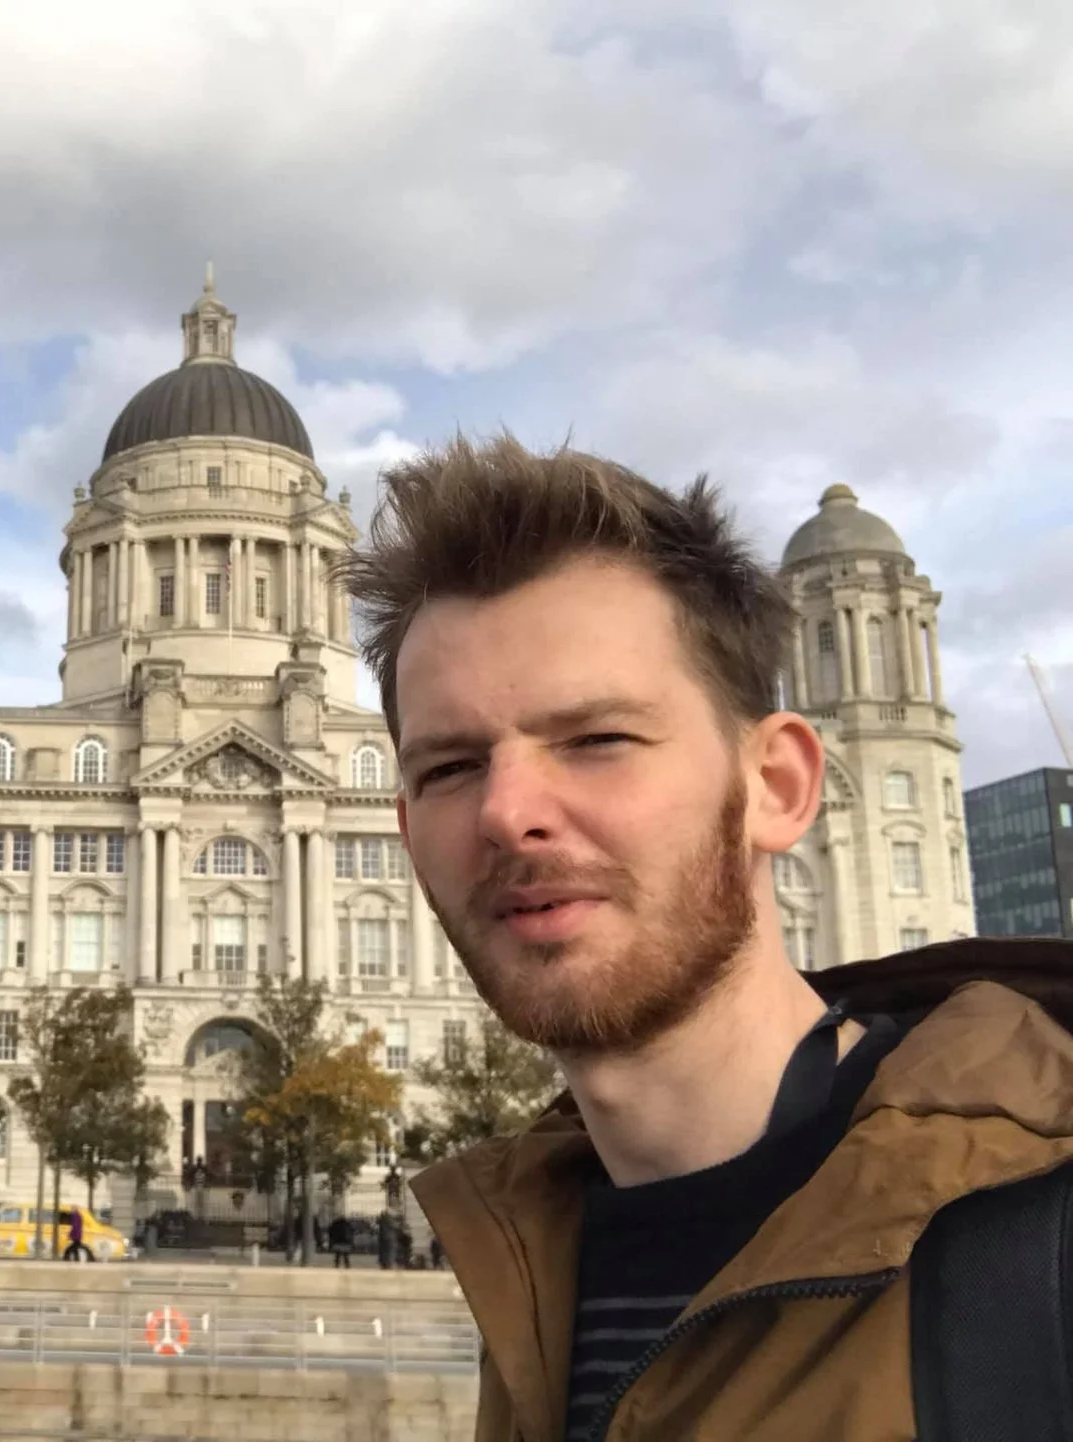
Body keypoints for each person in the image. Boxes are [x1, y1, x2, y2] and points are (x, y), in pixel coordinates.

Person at [340, 436, 1073, 1442]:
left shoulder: (1043, 1236)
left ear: (777, 785)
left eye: (598, 739)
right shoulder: (529, 1263)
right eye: (452, 765)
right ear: (408, 827)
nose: (508, 812)